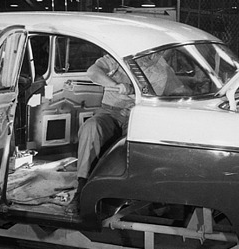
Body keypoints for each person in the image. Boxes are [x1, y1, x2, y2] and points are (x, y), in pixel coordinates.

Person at [65, 51, 184, 215]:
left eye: (159, 52)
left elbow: (179, 93)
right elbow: (93, 72)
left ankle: (142, 195)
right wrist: (115, 85)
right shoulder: (117, 59)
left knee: (142, 139)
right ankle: (82, 189)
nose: (154, 56)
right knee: (91, 127)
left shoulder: (164, 69)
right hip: (110, 112)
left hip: (138, 115)